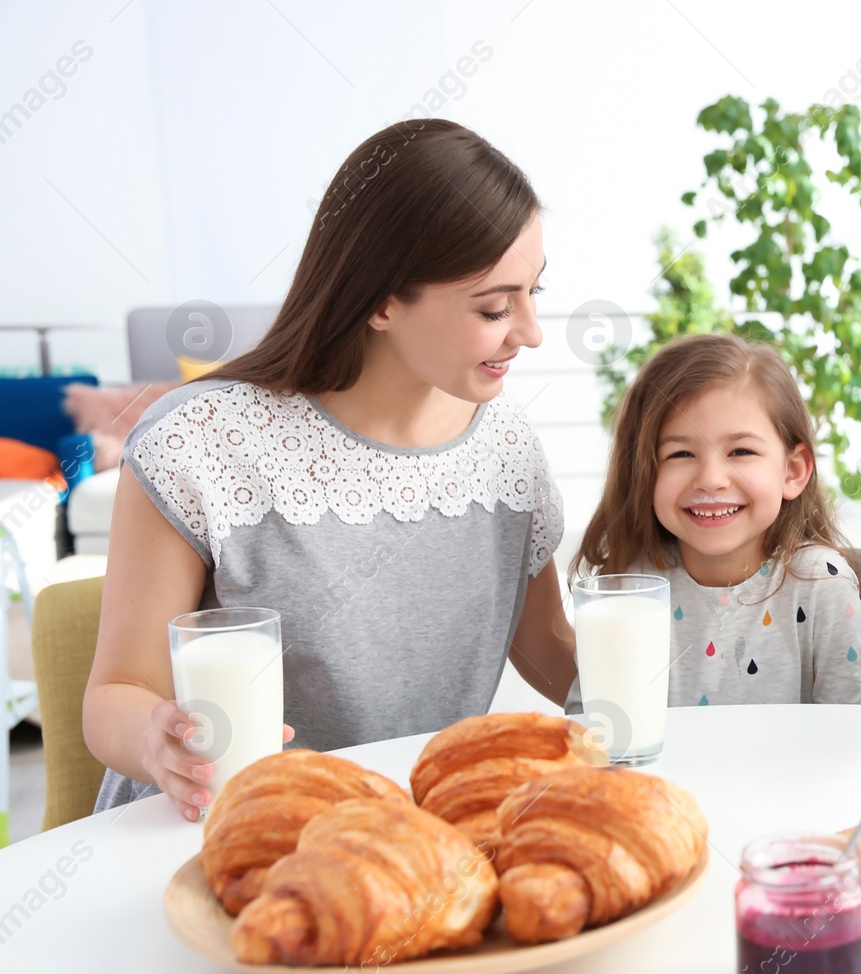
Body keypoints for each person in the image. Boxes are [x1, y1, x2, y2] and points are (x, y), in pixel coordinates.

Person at [83, 119, 575, 821]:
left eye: (535, 292)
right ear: (381, 300)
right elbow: (115, 695)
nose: (529, 331)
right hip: (210, 834)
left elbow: (550, 647)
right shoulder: (199, 441)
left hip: (399, 839)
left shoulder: (505, 444)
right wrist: (156, 741)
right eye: (494, 306)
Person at [566, 333, 861, 708]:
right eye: (680, 453)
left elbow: (852, 743)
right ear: (644, 473)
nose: (711, 478)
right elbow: (592, 735)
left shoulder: (822, 584)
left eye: (741, 451)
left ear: (792, 471)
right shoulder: (628, 589)